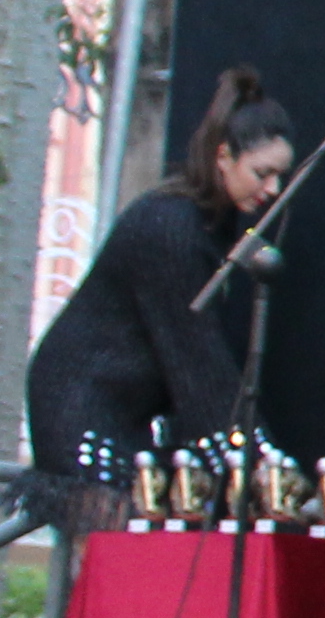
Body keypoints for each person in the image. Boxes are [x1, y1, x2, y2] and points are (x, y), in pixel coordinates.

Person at [24, 63, 286, 515]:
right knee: (122, 547)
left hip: (122, 411)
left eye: (279, 175)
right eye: (262, 173)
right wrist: (257, 458)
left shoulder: (203, 225)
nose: (273, 188)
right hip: (85, 411)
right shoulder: (171, 228)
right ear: (223, 156)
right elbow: (194, 359)